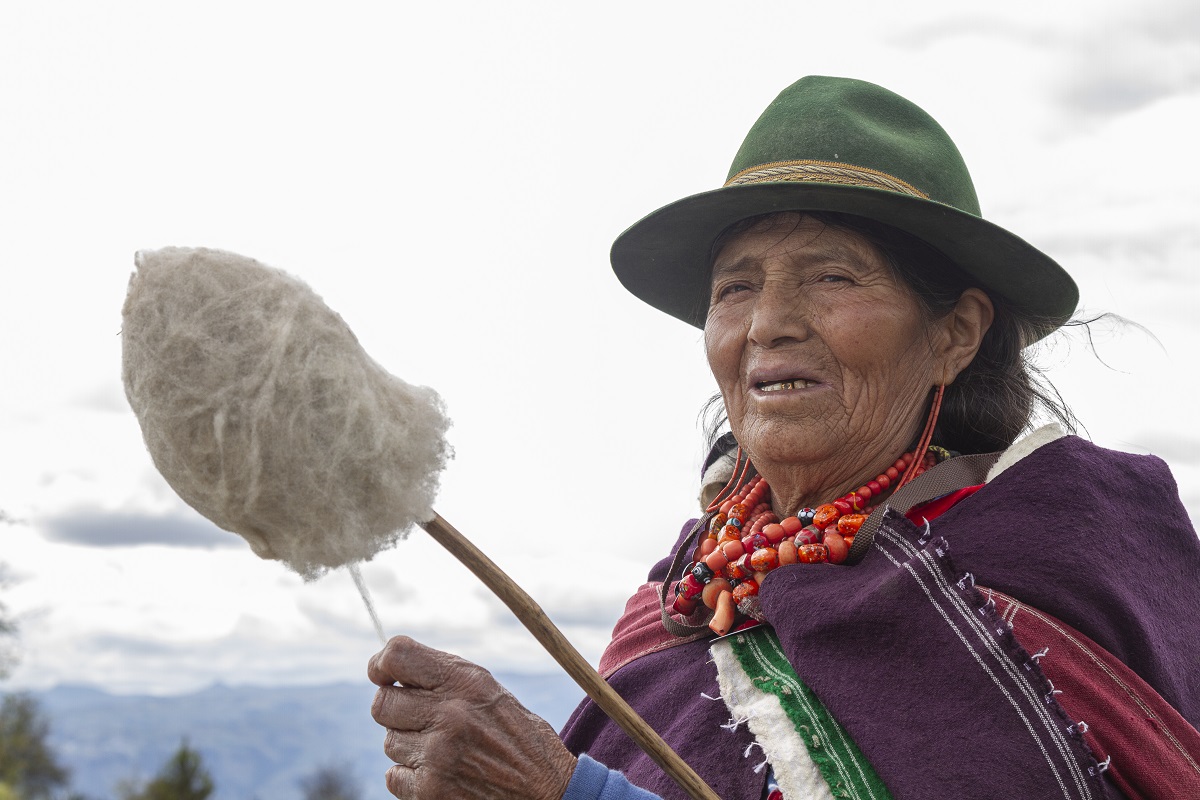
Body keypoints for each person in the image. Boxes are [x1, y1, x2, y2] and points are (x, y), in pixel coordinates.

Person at [369, 76, 1200, 799]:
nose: (768, 324)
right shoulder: (689, 595)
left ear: (956, 332)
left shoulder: (1046, 571)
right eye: (735, 288)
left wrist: (567, 793)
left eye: (831, 277)